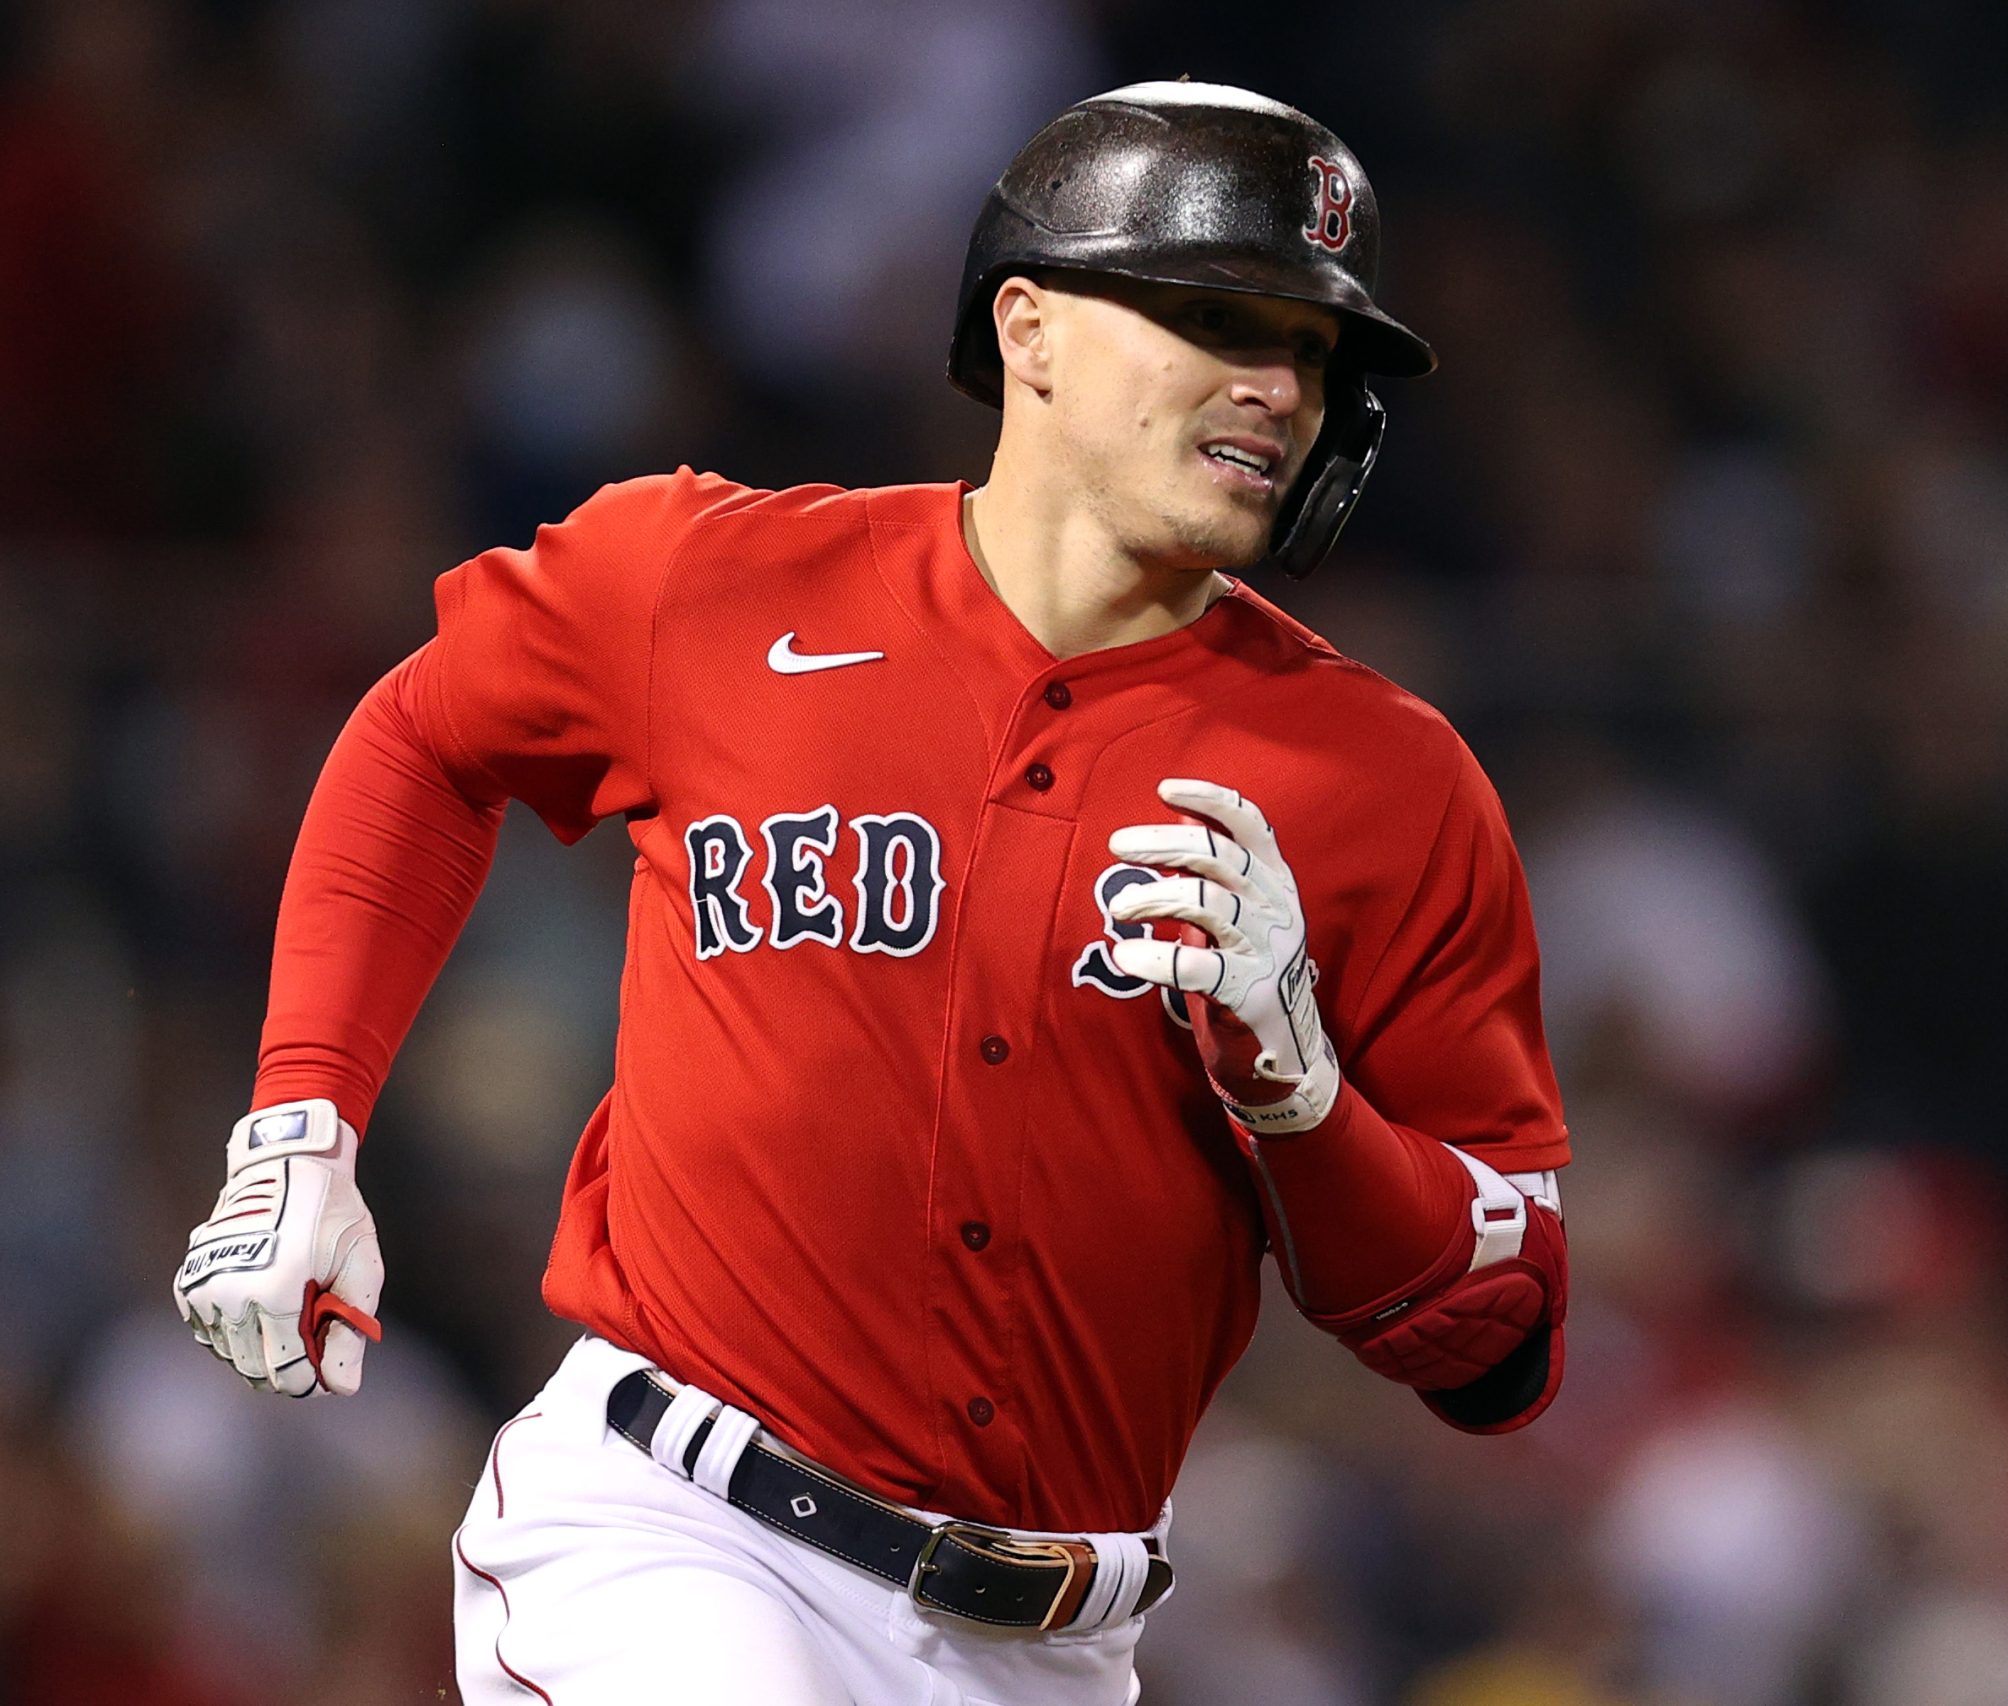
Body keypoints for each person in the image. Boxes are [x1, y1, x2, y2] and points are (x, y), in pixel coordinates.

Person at [172, 81, 1570, 1705]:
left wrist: (1306, 1103)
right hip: (679, 1541)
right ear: (1029, 330)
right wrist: (301, 1120)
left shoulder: (1384, 785)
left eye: (1315, 352)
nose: (1274, 383)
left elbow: (1504, 1337)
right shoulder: (715, 582)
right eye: (1216, 318)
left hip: (1056, 1644)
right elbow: (423, 732)